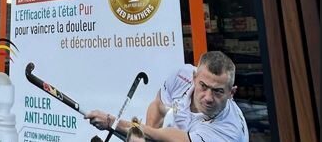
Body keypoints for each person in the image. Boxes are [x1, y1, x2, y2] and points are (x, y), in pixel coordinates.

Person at [85, 51, 248, 141]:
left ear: (231, 93)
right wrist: (145, 135)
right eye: (203, 86)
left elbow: (169, 138)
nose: (208, 97)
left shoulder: (229, 131)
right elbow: (158, 106)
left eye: (218, 91)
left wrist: (112, 122)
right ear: (194, 78)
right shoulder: (182, 75)